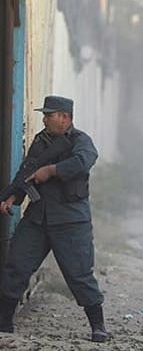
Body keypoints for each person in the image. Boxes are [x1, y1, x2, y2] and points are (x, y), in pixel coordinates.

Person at [0, 96, 110, 342]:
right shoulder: (41, 141)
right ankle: (4, 322)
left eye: (49, 115)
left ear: (65, 117)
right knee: (16, 267)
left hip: (71, 220)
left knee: (79, 275)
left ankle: (98, 326)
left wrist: (51, 171)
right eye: (45, 115)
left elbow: (83, 162)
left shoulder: (80, 141)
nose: (44, 119)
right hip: (37, 218)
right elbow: (26, 172)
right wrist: (13, 196)